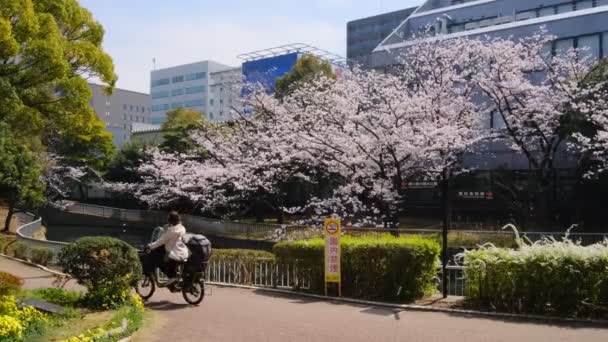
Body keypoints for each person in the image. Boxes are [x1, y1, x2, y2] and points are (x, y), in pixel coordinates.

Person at [145, 211, 189, 285]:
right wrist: (168, 228)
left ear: (170, 220)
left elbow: (160, 241)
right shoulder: (182, 228)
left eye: (168, 219)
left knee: (159, 261)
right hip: (183, 253)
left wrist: (149, 246)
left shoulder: (171, 231)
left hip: (175, 254)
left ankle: (173, 277)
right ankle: (174, 278)